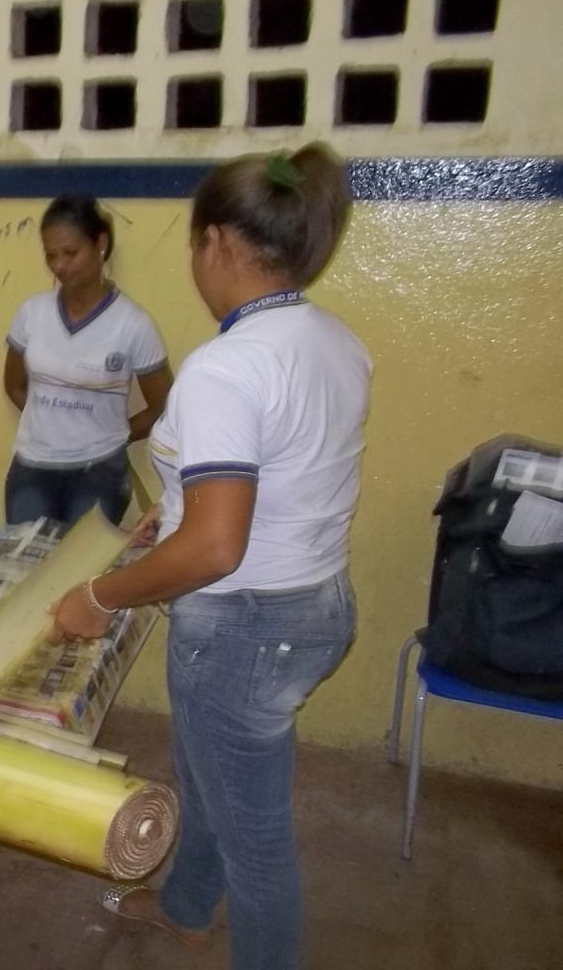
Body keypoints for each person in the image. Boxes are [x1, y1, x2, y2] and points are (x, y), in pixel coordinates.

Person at [51, 145, 369, 970]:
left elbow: (219, 548)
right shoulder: (330, 339)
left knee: (255, 841)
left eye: (194, 243)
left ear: (219, 242)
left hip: (246, 625)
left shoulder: (226, 367)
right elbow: (285, 472)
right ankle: (187, 907)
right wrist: (175, 511)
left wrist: (101, 596)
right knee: (208, 776)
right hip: (313, 602)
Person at [3, 194, 173, 526]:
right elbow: (13, 385)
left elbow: (163, 406)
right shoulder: (31, 313)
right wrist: (52, 425)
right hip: (31, 468)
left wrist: (114, 435)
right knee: (25, 556)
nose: (59, 266)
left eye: (70, 253)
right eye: (51, 255)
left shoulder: (134, 325)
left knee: (84, 559)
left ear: (100, 244)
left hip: (100, 472)